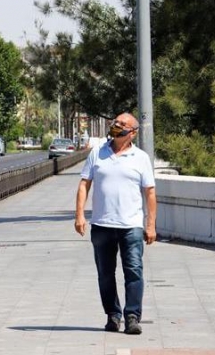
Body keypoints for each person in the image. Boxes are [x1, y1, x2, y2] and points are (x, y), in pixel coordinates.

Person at [74, 112, 157, 335]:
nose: (116, 125)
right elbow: (84, 185)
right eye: (116, 122)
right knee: (105, 273)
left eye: (122, 124)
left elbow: (149, 193)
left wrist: (150, 225)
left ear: (132, 133)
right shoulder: (97, 153)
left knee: (134, 272)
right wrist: (80, 215)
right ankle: (113, 315)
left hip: (131, 226)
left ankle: (132, 317)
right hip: (102, 225)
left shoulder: (140, 158)